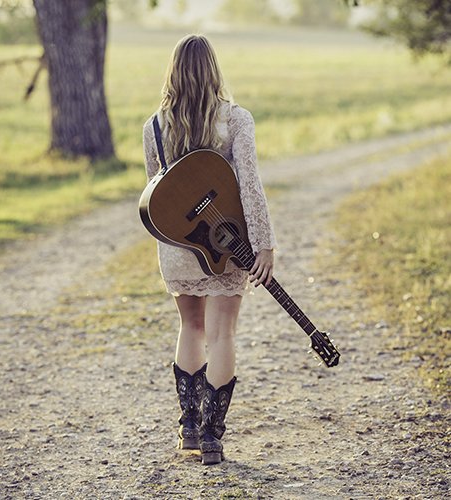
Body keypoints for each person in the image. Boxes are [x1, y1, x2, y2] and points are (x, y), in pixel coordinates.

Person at [142, 34, 276, 465]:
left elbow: (158, 194)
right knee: (222, 334)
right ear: (214, 70)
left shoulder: (155, 127)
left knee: (191, 329)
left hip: (180, 244)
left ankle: (189, 430)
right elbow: (250, 187)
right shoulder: (236, 119)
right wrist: (263, 244)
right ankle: (213, 436)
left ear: (174, 73)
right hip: (227, 241)